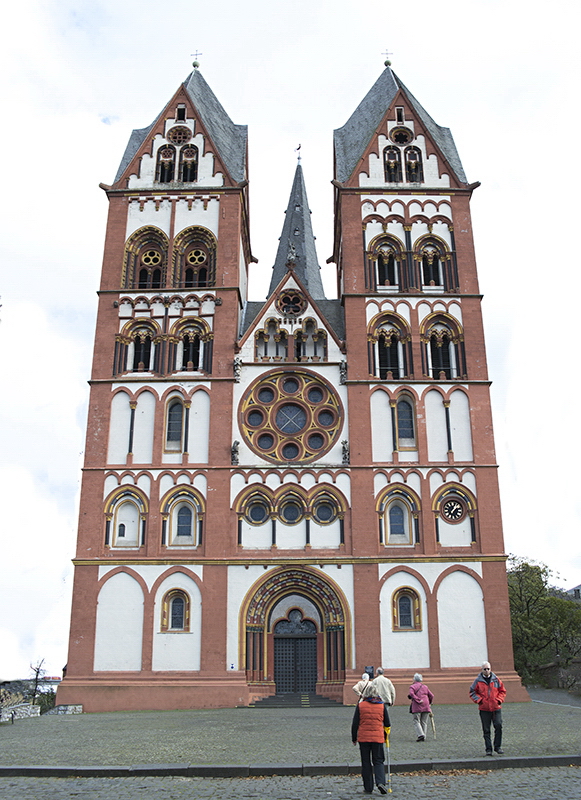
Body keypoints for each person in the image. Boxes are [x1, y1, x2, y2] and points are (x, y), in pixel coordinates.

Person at [351, 683, 390, 795]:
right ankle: (380, 782)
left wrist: (354, 738)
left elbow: (355, 724)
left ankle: (368, 787)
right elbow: (387, 723)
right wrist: (385, 737)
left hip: (364, 738)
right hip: (378, 738)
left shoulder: (361, 706)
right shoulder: (381, 706)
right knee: (378, 761)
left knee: (366, 762)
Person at [469, 661, 506, 755]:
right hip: (484, 709)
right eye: (485, 669)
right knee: (486, 730)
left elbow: (502, 691)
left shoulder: (496, 680)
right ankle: (488, 749)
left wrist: (499, 700)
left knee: (498, 726)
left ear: (490, 669)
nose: (486, 671)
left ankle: (498, 747)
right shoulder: (478, 681)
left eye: (488, 669)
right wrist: (479, 700)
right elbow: (472, 692)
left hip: (496, 707)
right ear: (482, 670)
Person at [408, 673, 434, 742]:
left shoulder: (412, 687)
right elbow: (431, 695)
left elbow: (411, 694)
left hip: (417, 705)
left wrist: (417, 699)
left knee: (416, 720)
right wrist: (430, 703)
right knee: (424, 721)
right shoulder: (425, 687)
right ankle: (423, 735)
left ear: (414, 679)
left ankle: (420, 735)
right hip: (426, 705)